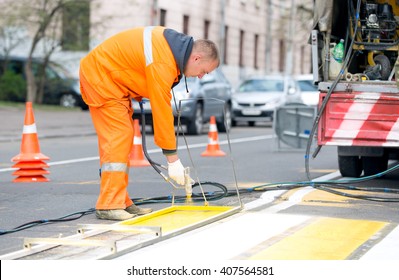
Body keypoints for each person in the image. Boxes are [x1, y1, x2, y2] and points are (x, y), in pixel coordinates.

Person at [79, 26, 220, 221]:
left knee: (122, 140)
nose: (201, 76)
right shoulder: (165, 61)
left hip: (112, 80)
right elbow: (162, 109)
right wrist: (172, 159)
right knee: (118, 137)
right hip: (102, 79)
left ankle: (120, 200)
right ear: (196, 58)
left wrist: (137, 86)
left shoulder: (172, 49)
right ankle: (109, 204)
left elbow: (135, 61)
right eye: (204, 71)